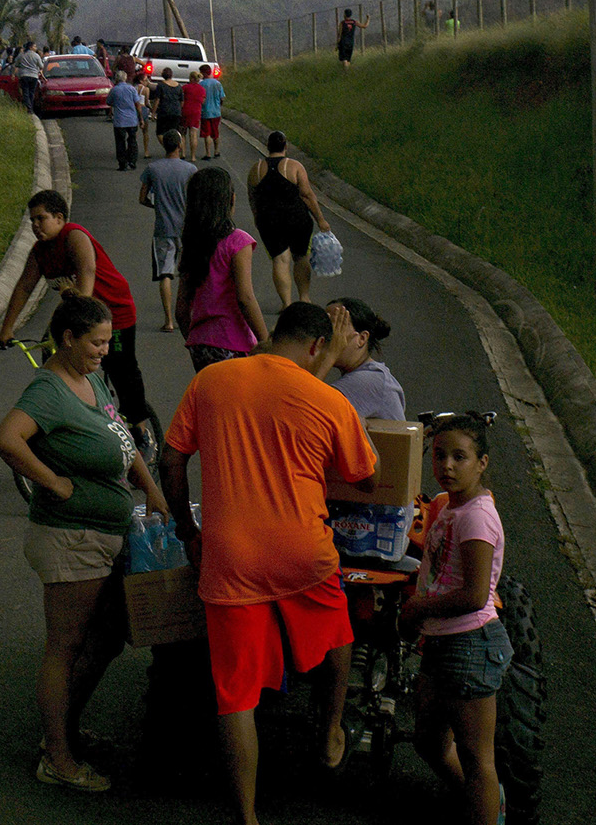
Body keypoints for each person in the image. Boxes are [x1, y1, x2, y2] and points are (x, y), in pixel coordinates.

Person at [159, 302, 374, 825]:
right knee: (339, 634)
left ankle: (247, 816)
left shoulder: (211, 380)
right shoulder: (329, 400)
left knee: (236, 694)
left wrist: (187, 530)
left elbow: (171, 458)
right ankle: (330, 731)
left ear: (276, 333)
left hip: (230, 556)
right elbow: (365, 477)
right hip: (303, 553)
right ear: (318, 347)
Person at [0, 294, 172, 794]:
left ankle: (64, 731)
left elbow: (121, 438)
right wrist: (54, 483)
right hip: (71, 538)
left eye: (108, 341)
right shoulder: (48, 389)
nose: (104, 350)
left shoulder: (91, 377)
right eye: (96, 342)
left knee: (107, 637)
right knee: (65, 647)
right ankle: (57, 757)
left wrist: (151, 488)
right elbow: (7, 439)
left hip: (104, 533)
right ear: (67, 339)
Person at [403, 412, 511, 825]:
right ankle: (480, 803)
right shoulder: (448, 505)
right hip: (443, 642)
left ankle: (487, 807)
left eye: (459, 457)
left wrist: (419, 608)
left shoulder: (476, 517)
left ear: (482, 463)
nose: (446, 465)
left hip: (470, 644)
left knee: (476, 757)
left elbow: (475, 595)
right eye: (439, 455)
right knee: (429, 741)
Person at [0, 189, 154, 447]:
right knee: (54, 360)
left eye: (41, 218)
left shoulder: (74, 236)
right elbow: (24, 287)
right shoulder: (39, 252)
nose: (35, 225)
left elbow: (87, 272)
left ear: (59, 218)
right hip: (80, 317)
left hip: (113, 313)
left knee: (121, 367)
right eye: (32, 220)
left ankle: (141, 432)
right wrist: (7, 328)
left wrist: (76, 318)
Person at [175, 166, 268, 372]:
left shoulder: (192, 244)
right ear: (231, 200)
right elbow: (245, 298)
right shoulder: (237, 241)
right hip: (233, 341)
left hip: (200, 343)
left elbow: (181, 308)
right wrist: (266, 341)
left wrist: (195, 337)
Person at [246, 130, 333, 310]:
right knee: (301, 257)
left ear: (268, 146)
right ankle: (304, 298)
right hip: (297, 219)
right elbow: (307, 195)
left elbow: (253, 198)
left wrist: (256, 218)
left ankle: (286, 303)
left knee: (280, 260)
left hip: (269, 221)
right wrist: (321, 219)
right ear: (285, 146)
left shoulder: (256, 169)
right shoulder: (294, 166)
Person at [138, 136, 196, 332]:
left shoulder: (152, 169)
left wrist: (157, 206)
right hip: (186, 229)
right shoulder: (190, 170)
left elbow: (142, 198)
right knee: (189, 273)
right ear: (180, 145)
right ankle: (189, 317)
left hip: (163, 228)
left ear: (164, 145)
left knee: (165, 273)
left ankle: (169, 320)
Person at [324, 296, 404, 420]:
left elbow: (307, 407)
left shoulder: (370, 380)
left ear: (362, 338)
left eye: (336, 326)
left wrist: (328, 357)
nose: (325, 335)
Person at [108, 69, 143, 171]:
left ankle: (122, 164)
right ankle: (132, 160)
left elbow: (109, 102)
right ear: (125, 78)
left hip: (119, 120)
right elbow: (138, 105)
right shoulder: (132, 89)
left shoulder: (114, 90)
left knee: (120, 142)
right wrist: (141, 118)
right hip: (132, 119)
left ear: (116, 79)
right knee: (132, 140)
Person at [150, 71, 184, 159]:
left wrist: (153, 112)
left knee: (160, 132)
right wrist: (179, 109)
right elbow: (181, 100)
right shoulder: (178, 86)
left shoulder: (161, 85)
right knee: (176, 132)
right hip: (176, 112)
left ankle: (170, 148)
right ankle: (179, 149)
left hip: (164, 111)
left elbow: (157, 100)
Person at [180, 69, 208, 160]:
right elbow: (203, 101)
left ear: (191, 78)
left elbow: (181, 99)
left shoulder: (185, 87)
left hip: (185, 111)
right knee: (193, 134)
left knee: (183, 133)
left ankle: (183, 153)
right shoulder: (202, 89)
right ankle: (193, 156)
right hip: (196, 112)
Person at [198, 70, 225, 159]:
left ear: (204, 73)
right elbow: (222, 97)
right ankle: (216, 151)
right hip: (216, 112)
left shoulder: (201, 84)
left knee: (207, 133)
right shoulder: (217, 83)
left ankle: (208, 153)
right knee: (215, 132)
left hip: (205, 112)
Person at [17, 43, 46, 114]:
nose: (36, 48)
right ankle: (30, 107)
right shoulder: (36, 56)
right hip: (34, 76)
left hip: (24, 75)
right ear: (30, 47)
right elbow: (41, 66)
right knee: (31, 92)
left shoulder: (21, 55)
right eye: (34, 46)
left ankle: (28, 107)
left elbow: (17, 64)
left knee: (25, 92)